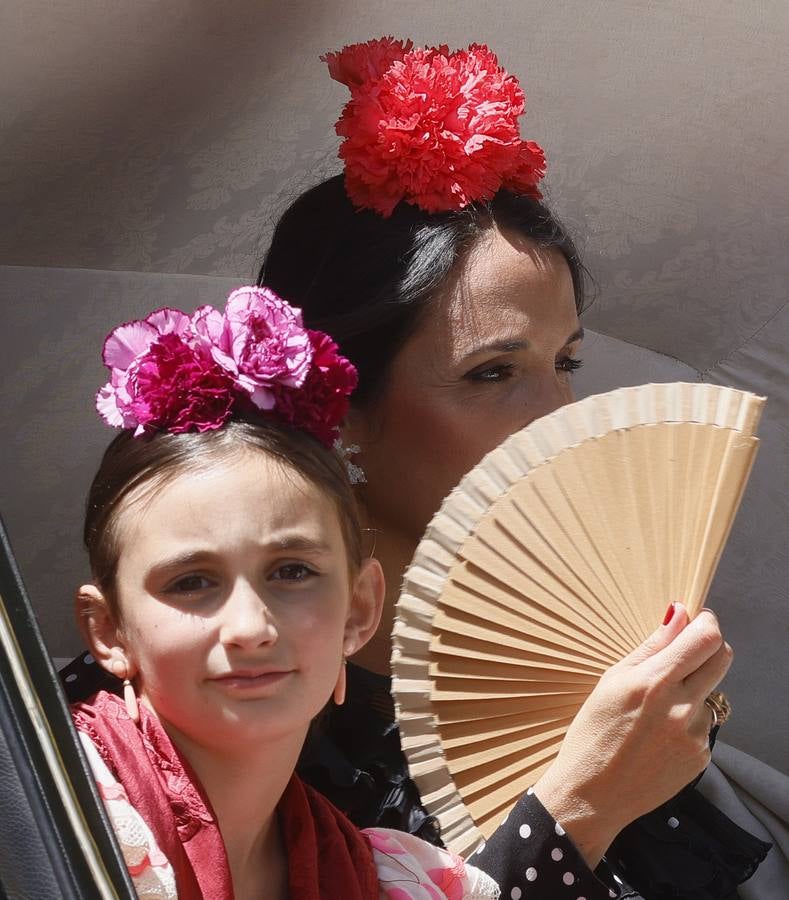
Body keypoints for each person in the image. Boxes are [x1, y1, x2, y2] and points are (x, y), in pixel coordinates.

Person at [255, 38, 771, 899]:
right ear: (339, 410)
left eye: (563, 362)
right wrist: (579, 806)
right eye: (490, 373)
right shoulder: (263, 701)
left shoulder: (572, 625)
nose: (555, 418)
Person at [70, 287, 500, 898]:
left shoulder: (415, 884)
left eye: (292, 572)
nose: (250, 627)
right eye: (192, 582)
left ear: (360, 608)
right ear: (108, 631)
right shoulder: (42, 815)